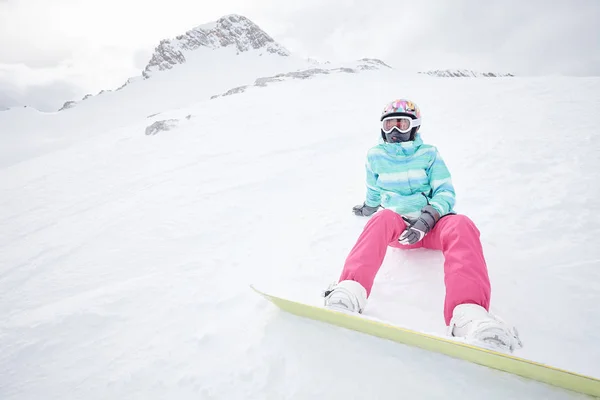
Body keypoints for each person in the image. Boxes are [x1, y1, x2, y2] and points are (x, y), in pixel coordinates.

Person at [323, 99, 522, 353]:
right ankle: (350, 290)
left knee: (461, 224)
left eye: (402, 124)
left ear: (414, 127)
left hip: (432, 225)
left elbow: (445, 192)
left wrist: (427, 221)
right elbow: (373, 189)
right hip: (399, 227)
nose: (395, 131)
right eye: (389, 125)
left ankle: (469, 315)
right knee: (380, 219)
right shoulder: (375, 156)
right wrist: (368, 207)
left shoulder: (429, 154)